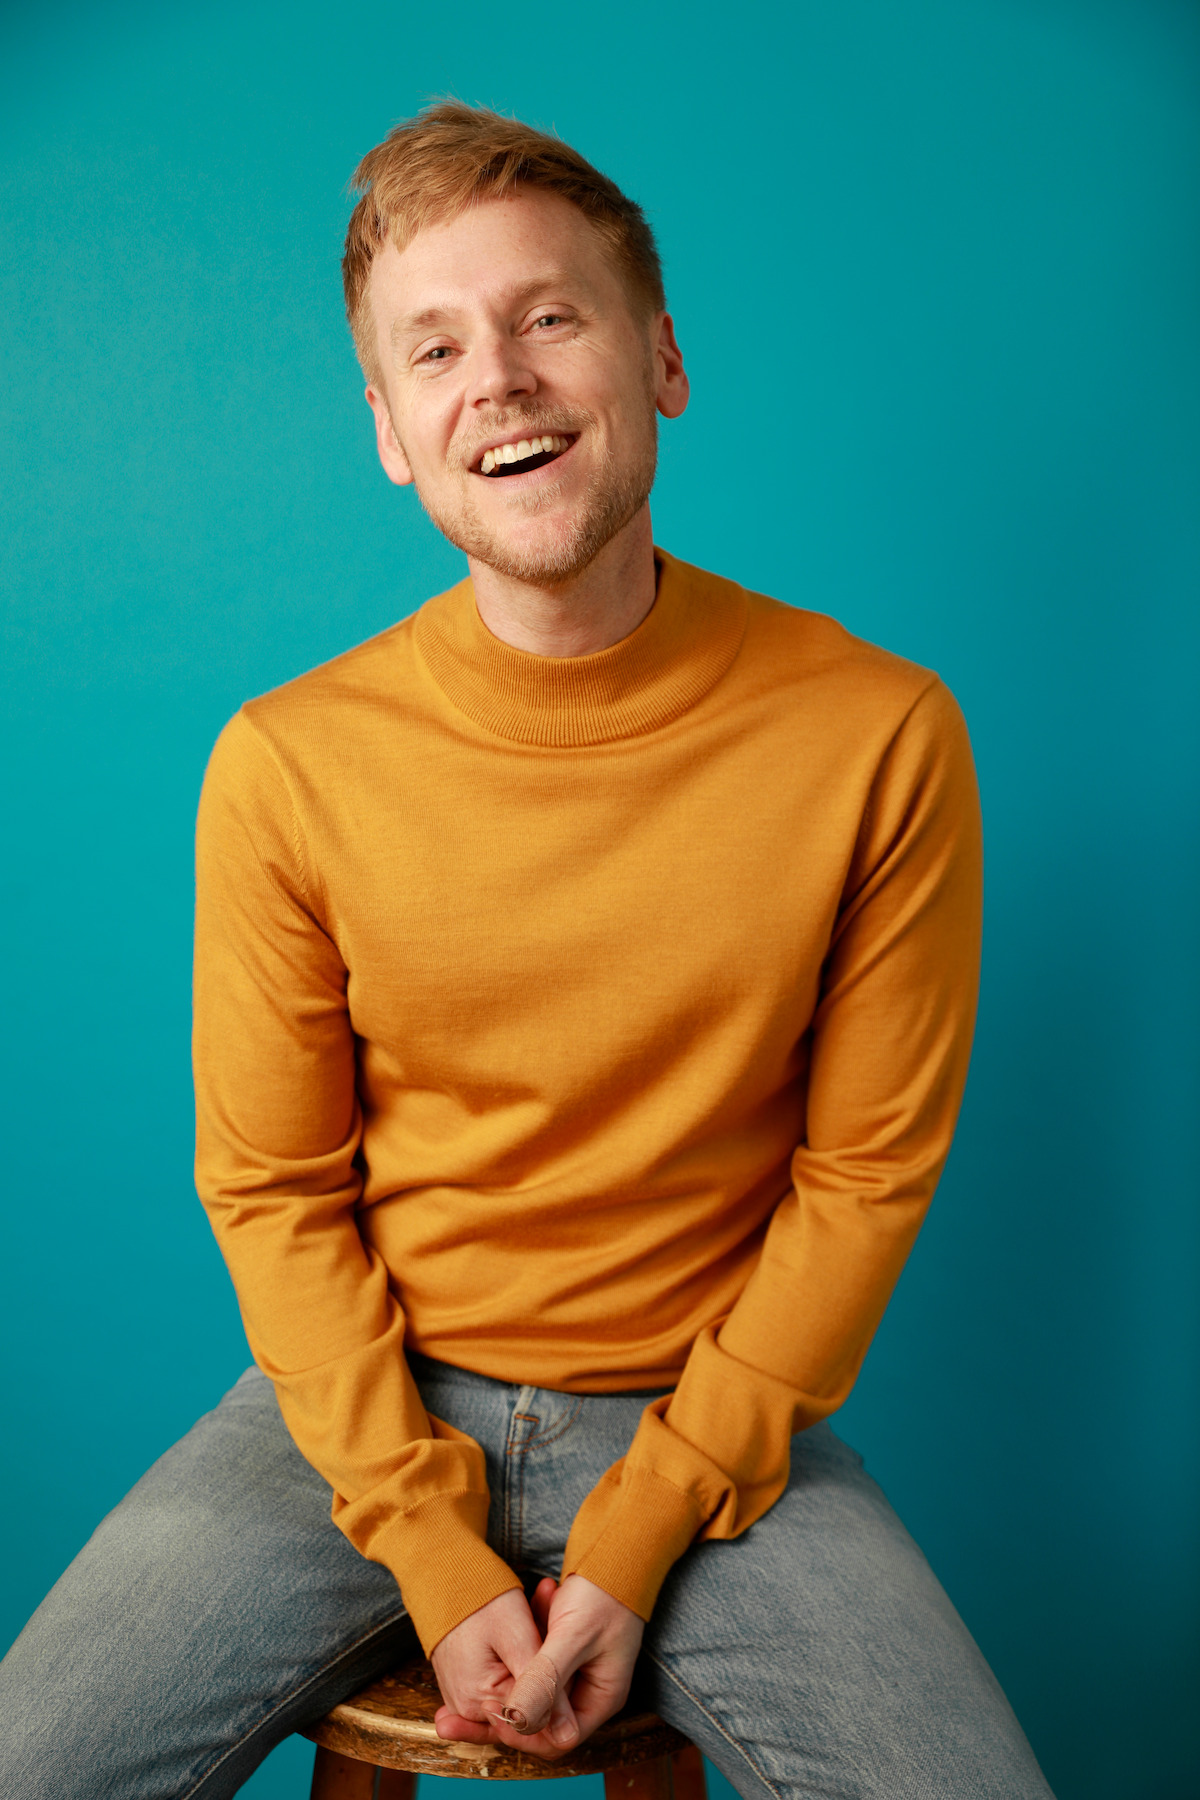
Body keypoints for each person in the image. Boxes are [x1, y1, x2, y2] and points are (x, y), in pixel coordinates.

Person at [0, 102, 1055, 1798]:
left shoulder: (880, 735)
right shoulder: (288, 763)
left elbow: (864, 1182)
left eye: (547, 317)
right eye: (435, 348)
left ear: (661, 361)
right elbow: (273, 1192)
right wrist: (430, 1544)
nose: (494, 374)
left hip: (713, 1422)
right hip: (348, 1411)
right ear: (395, 435)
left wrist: (636, 1536)